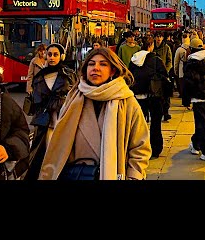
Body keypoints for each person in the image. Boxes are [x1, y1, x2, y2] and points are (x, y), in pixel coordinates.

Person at [38, 47, 151, 180]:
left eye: (103, 64)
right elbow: (59, 143)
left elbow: (140, 146)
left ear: (112, 71)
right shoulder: (73, 98)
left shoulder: (127, 101)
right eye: (91, 64)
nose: (96, 68)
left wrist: (134, 175)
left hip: (112, 173)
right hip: (77, 174)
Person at [22, 42, 77, 180]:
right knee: (42, 152)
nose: (52, 57)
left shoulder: (68, 74)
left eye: (55, 55)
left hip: (63, 118)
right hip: (44, 120)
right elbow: (36, 99)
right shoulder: (39, 76)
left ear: (61, 57)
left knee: (64, 152)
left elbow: (75, 95)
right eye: (50, 54)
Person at [128, 36, 168, 158]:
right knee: (156, 123)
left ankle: (139, 148)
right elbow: (164, 77)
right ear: (151, 46)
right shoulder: (156, 59)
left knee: (139, 125)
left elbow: (129, 77)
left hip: (138, 95)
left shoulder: (133, 60)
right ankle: (155, 148)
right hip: (154, 96)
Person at [153, 31, 173, 121]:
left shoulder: (166, 48)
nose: (158, 38)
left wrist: (166, 70)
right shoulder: (152, 47)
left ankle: (166, 112)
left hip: (164, 74)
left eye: (160, 37)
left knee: (166, 95)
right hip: (154, 74)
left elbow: (169, 61)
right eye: (157, 36)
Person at [173, 33, 191, 107]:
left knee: (183, 87)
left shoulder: (179, 49)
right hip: (190, 72)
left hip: (182, 72)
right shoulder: (191, 48)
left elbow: (176, 62)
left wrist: (176, 71)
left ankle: (185, 102)